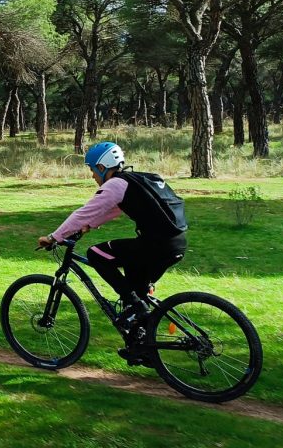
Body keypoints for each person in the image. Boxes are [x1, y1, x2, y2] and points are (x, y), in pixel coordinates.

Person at [38, 141, 188, 361]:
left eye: (92, 169)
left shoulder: (115, 184)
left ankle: (136, 305)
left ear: (102, 166)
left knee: (96, 254)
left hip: (156, 245)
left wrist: (54, 237)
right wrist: (88, 226)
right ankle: (142, 347)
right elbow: (112, 211)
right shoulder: (136, 180)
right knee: (136, 292)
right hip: (176, 243)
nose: (92, 176)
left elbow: (84, 212)